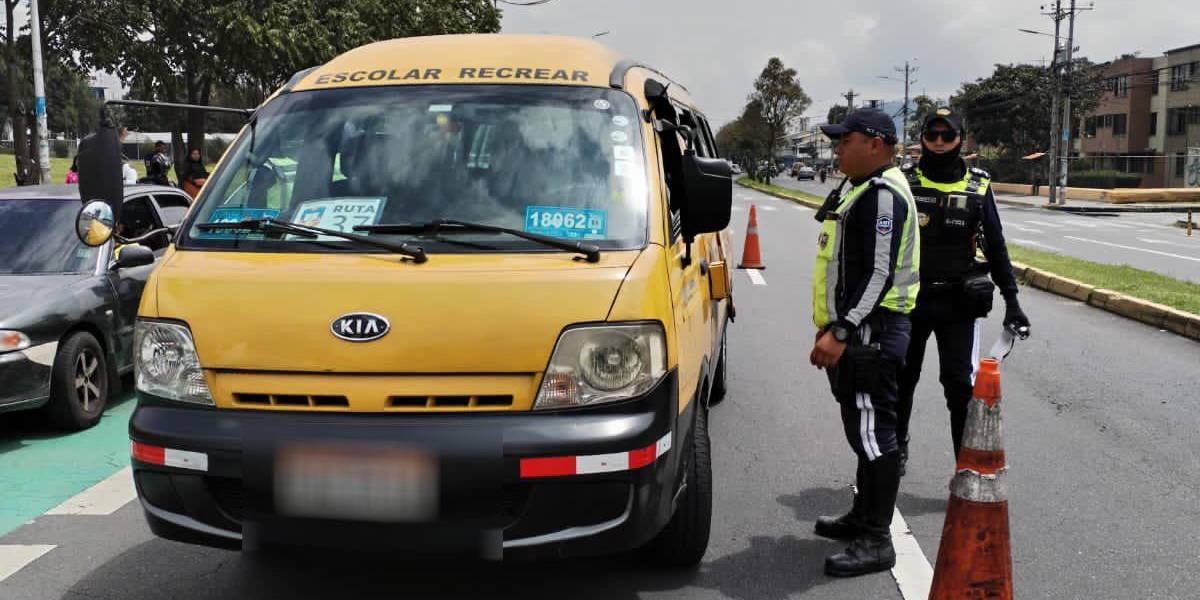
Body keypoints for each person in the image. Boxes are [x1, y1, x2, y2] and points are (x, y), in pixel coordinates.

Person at [809, 108, 920, 577]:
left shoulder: (881, 195)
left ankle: (877, 540)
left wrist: (841, 330)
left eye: (844, 140)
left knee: (876, 436)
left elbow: (879, 274)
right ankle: (862, 517)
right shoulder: (861, 190)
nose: (837, 149)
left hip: (870, 334)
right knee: (864, 432)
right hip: (862, 332)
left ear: (875, 143)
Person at [895, 107, 1031, 472]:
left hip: (958, 303)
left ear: (960, 138)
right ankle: (896, 450)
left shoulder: (979, 185)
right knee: (901, 379)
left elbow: (997, 247)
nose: (939, 143)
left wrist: (1012, 302)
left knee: (959, 387)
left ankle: (965, 465)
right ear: (923, 137)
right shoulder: (903, 180)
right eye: (932, 135)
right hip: (910, 300)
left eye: (947, 136)